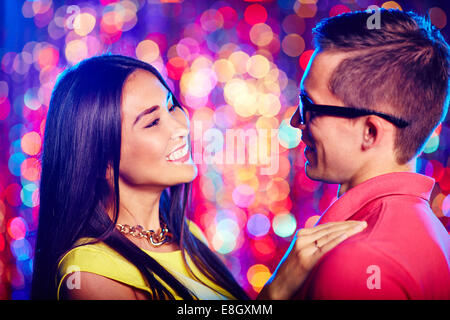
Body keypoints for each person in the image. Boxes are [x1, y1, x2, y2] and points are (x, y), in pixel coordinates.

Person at [31, 54, 366, 300]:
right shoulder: (89, 274)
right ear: (102, 161)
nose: (180, 127)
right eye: (152, 122)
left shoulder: (186, 234)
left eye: (171, 105)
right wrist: (278, 290)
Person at [271, 9, 450, 299]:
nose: (295, 122)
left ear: (370, 132)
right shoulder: (434, 233)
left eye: (309, 106)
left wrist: (273, 296)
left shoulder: (357, 263)